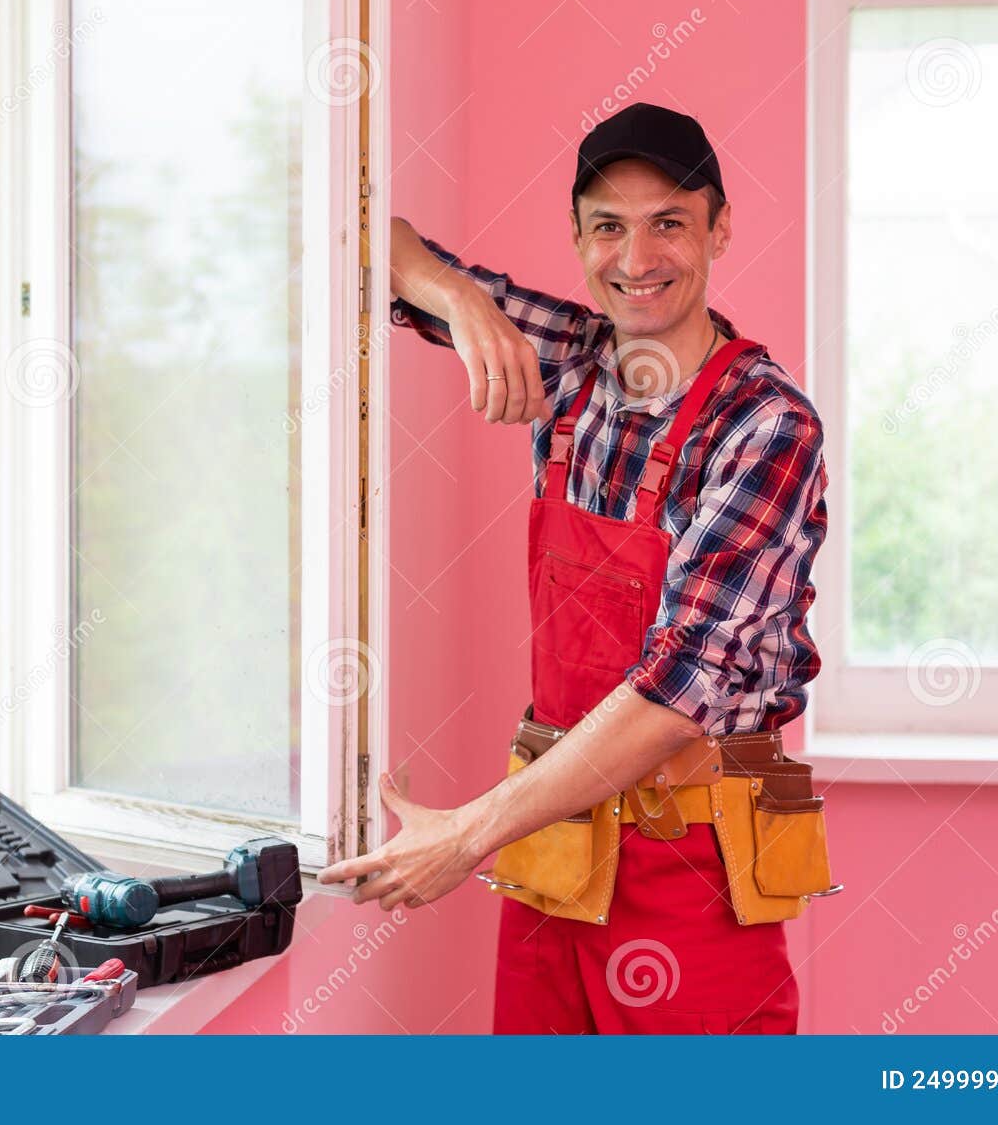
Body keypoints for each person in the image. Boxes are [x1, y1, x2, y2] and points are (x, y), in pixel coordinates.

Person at [318, 102, 834, 1035]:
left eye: (669, 222)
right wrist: (464, 302)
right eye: (608, 227)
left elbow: (678, 690)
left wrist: (466, 834)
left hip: (691, 866)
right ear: (577, 237)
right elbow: (366, 240)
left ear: (720, 229)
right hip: (552, 850)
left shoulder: (765, 425)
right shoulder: (569, 358)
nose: (636, 258)